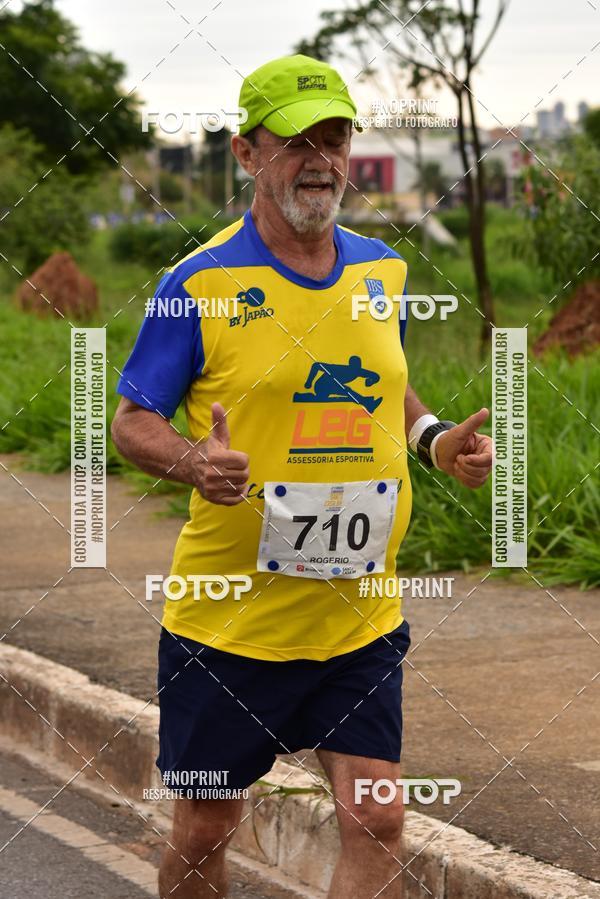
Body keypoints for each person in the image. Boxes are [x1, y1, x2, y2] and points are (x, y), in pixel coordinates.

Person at [111, 54, 493, 899]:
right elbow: (132, 418)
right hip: (230, 628)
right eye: (295, 142)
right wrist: (192, 461)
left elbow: (380, 387)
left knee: (379, 817)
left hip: (359, 617)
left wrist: (435, 440)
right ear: (247, 154)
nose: (320, 158)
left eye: (335, 137)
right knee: (208, 831)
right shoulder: (200, 284)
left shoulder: (380, 271)